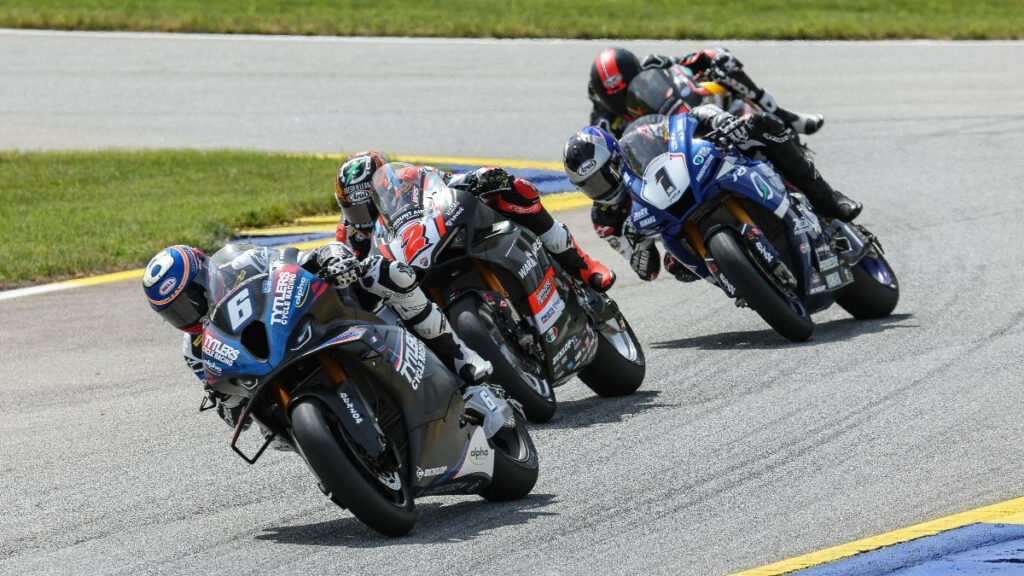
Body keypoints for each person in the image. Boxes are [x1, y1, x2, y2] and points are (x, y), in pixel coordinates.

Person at [142, 242, 498, 432]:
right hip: (279, 382)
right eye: (174, 312)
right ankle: (335, 455)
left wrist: (332, 256)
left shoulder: (244, 263)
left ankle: (459, 357)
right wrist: (225, 399)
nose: (186, 315)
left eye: (189, 299)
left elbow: (297, 258)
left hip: (314, 321)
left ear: (205, 276)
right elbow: (236, 420)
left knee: (389, 275)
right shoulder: (196, 350)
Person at [562, 106, 862, 283]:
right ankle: (745, 281)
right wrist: (638, 246)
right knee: (675, 268)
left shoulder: (640, 138)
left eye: (604, 177)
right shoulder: (605, 218)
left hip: (696, 180)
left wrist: (719, 119)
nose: (602, 189)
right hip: (678, 232)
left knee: (759, 125)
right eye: (591, 186)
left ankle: (826, 198)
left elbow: (686, 119)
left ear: (617, 160)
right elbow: (647, 271)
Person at [334, 151, 616, 292]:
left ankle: (579, 262)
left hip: (441, 232)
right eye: (356, 211)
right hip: (408, 277)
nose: (366, 217)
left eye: (370, 206)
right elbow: (345, 272)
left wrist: (478, 178)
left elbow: (445, 183)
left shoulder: (408, 179)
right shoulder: (347, 234)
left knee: (513, 190)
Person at [588, 46, 824, 138]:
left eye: (634, 85)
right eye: (619, 97)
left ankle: (785, 117)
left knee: (720, 60)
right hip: (667, 154)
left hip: (695, 111)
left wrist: (712, 59)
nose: (630, 97)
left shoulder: (652, 65)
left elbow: (691, 62)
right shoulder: (603, 124)